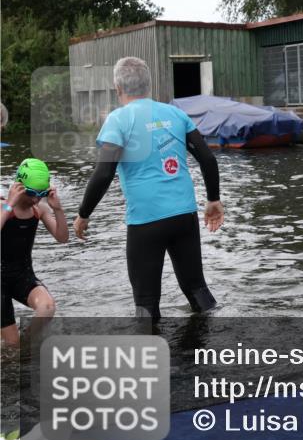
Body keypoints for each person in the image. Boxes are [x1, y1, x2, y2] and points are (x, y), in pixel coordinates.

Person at [74, 57, 224, 320]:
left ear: (117, 88)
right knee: (197, 289)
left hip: (146, 222)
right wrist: (213, 199)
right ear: (149, 85)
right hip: (184, 217)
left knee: (146, 304)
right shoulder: (176, 114)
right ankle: (207, 354)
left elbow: (104, 173)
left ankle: (151, 357)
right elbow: (208, 159)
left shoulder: (118, 120)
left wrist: (83, 214)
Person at [2, 158, 69, 346]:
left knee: (47, 307)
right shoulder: (3, 208)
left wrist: (58, 209)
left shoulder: (39, 208)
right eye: (32, 192)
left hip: (21, 275)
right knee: (11, 346)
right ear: (19, 187)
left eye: (41, 193)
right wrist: (9, 205)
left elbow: (62, 238)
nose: (36, 198)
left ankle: (27, 343)